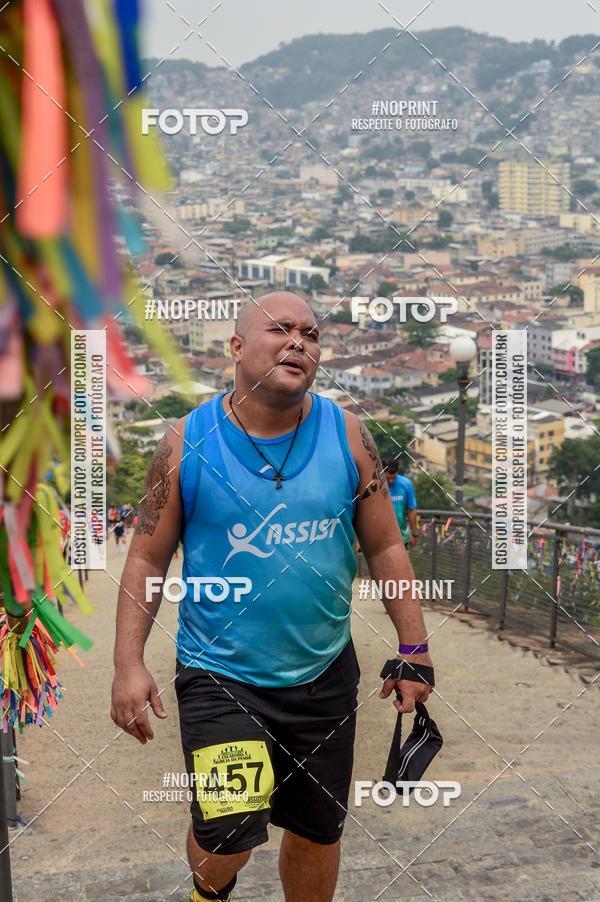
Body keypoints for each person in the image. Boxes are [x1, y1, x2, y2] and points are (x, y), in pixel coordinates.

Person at [111, 292, 435, 902]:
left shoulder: (347, 433)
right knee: (230, 834)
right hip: (221, 675)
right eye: (280, 329)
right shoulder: (187, 443)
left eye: (311, 334)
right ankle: (208, 892)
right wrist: (129, 662)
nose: (299, 343)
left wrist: (414, 646)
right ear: (235, 348)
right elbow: (147, 557)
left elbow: (387, 548)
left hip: (325, 675)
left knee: (317, 832)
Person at [383, 458, 419, 549]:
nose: (391, 481)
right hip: (381, 538)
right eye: (388, 478)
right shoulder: (376, 486)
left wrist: (415, 534)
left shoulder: (406, 484)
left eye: (393, 478)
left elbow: (411, 510)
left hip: (401, 537)